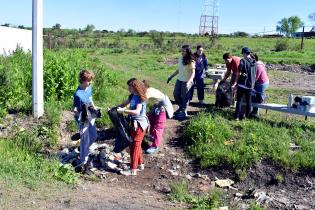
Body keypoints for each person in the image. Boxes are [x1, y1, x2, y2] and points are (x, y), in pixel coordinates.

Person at [116, 78, 149, 176]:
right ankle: (140, 164)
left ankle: (133, 169)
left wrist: (124, 111)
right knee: (135, 145)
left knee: (134, 146)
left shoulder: (140, 98)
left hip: (139, 125)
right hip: (133, 123)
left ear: (135, 87)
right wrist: (116, 108)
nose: (128, 88)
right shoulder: (132, 96)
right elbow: (123, 104)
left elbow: (137, 112)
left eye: (130, 86)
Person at [72, 70, 98, 174]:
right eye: (89, 81)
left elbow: (90, 98)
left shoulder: (89, 87)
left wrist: (95, 108)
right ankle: (83, 161)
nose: (91, 83)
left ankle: (82, 147)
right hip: (82, 118)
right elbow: (74, 108)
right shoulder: (78, 94)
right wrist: (78, 114)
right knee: (85, 140)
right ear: (83, 81)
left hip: (90, 115)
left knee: (94, 136)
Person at [143, 80, 174, 154]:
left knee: (158, 128)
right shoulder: (148, 90)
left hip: (164, 108)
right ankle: (153, 136)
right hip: (157, 106)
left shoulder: (148, 92)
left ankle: (155, 146)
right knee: (150, 119)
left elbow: (142, 101)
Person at [167, 45, 195, 119]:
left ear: (187, 51)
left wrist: (189, 81)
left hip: (186, 81)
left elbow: (193, 73)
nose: (182, 52)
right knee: (176, 94)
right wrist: (171, 76)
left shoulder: (191, 60)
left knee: (185, 97)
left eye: (184, 51)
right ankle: (181, 108)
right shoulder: (180, 58)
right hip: (179, 79)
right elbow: (178, 70)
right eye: (181, 50)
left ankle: (184, 112)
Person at [234, 47, 257, 120]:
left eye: (243, 54)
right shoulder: (254, 62)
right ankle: (247, 117)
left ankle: (237, 117)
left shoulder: (242, 61)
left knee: (239, 101)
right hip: (250, 85)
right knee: (249, 101)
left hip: (242, 84)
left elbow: (238, 73)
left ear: (244, 53)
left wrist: (235, 82)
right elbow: (255, 74)